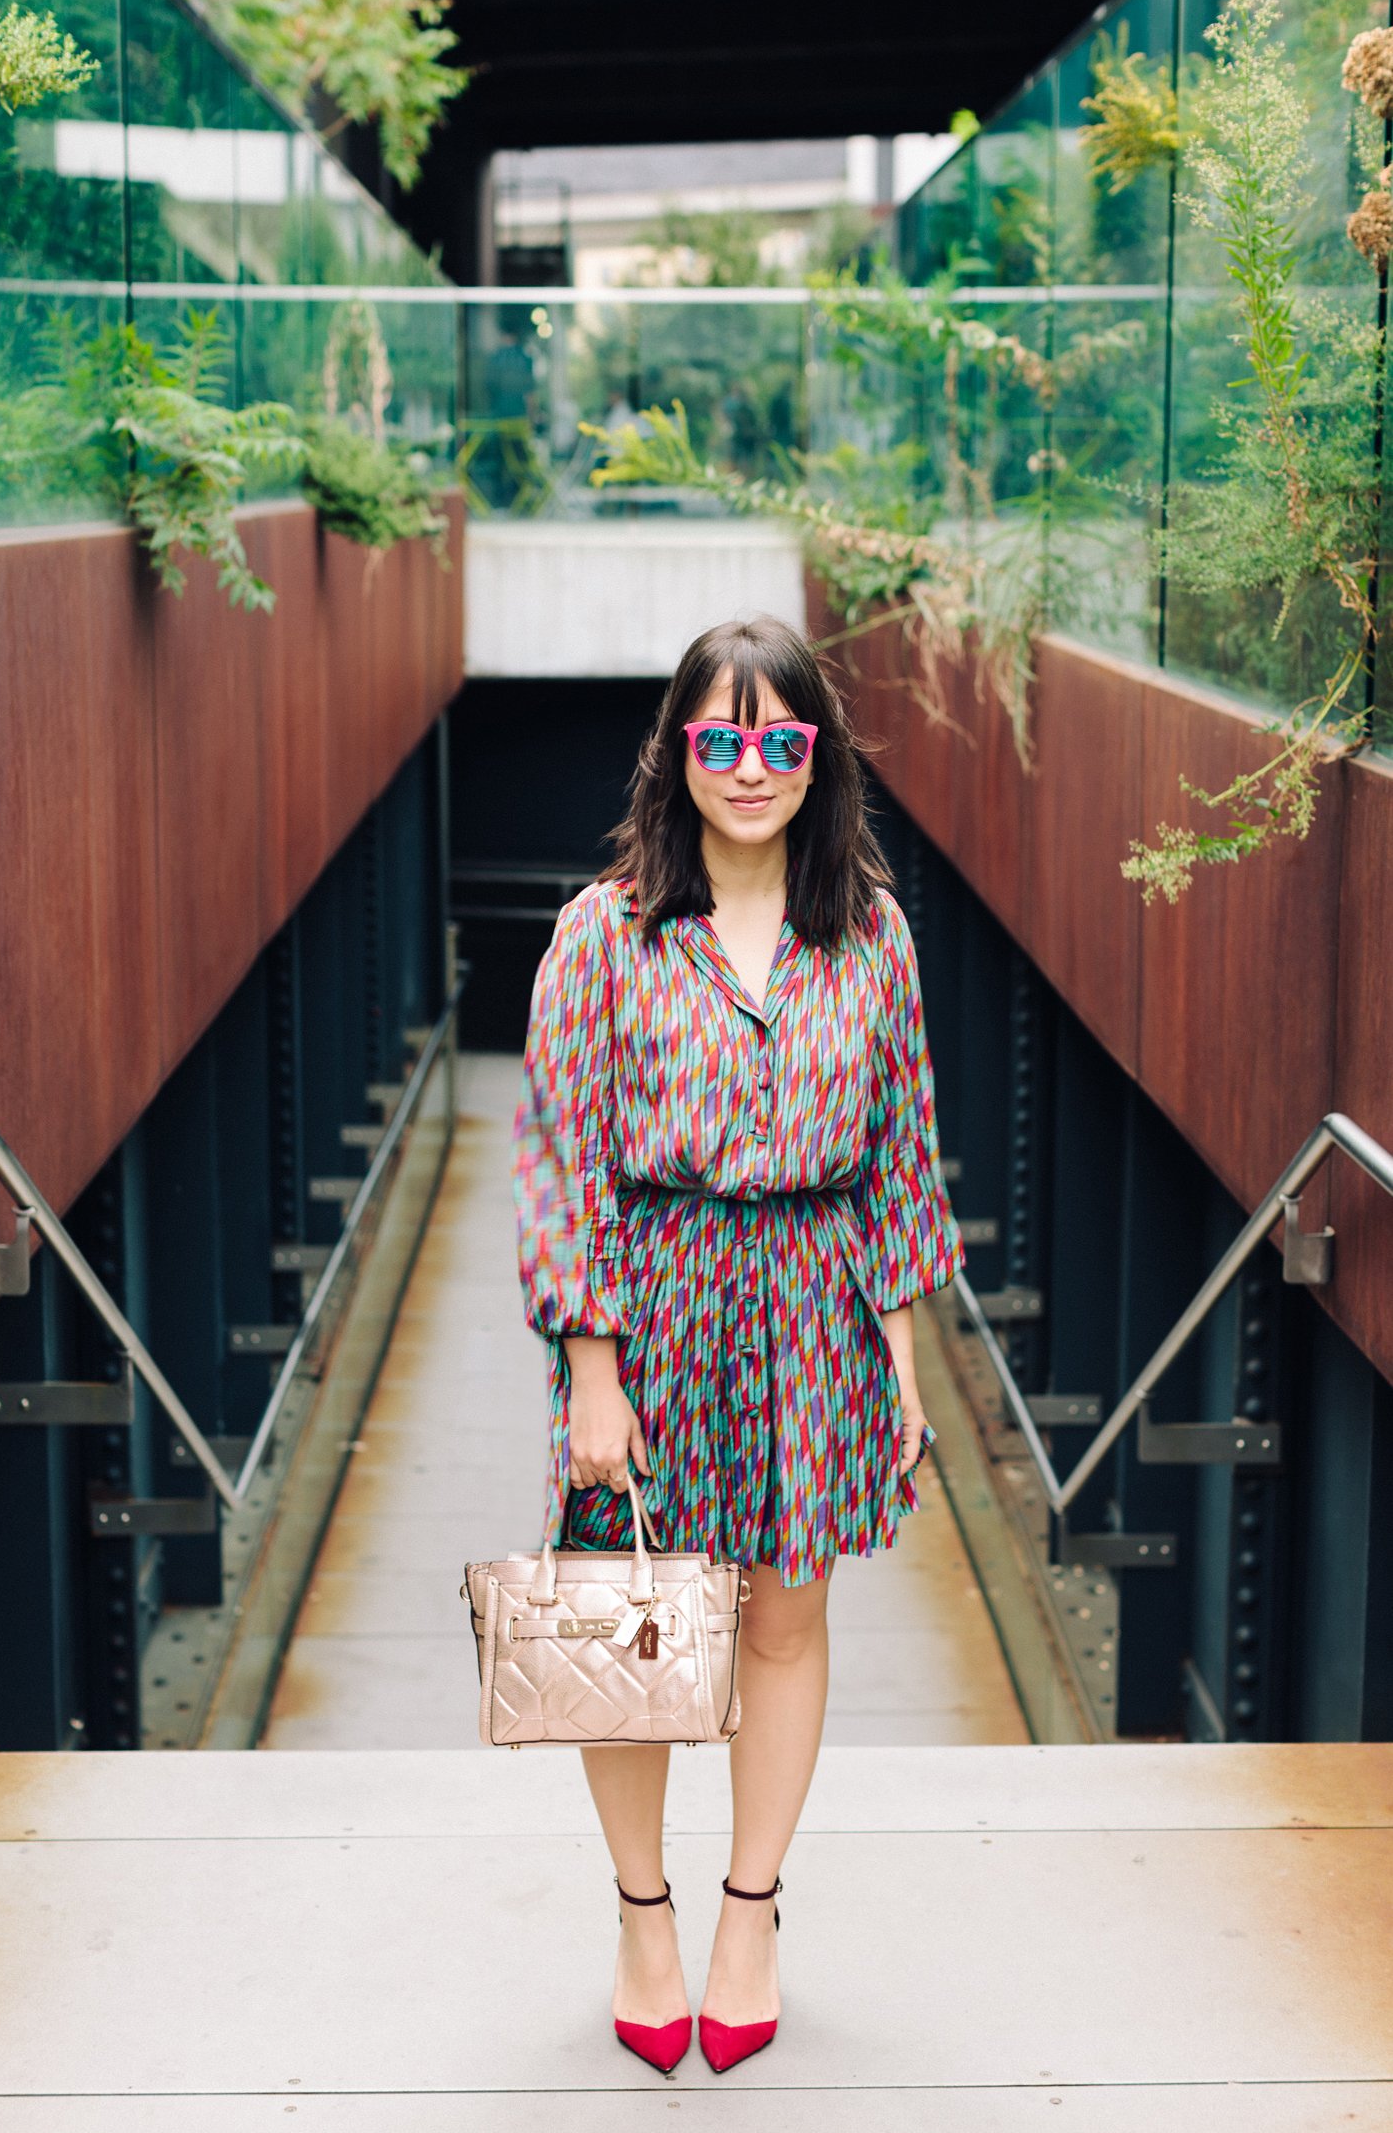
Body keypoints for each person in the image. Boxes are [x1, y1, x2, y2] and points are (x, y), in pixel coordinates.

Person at [511, 614, 964, 2075]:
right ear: (677, 754)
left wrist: (896, 1364)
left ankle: (747, 1911)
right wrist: (591, 1370)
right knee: (635, 1623)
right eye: (719, 738)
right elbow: (560, 1160)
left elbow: (901, 1158)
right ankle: (642, 1914)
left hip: (814, 1309)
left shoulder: (872, 933)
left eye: (780, 739)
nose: (750, 766)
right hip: (654, 1306)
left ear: (815, 756)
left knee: (782, 1617)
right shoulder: (606, 932)